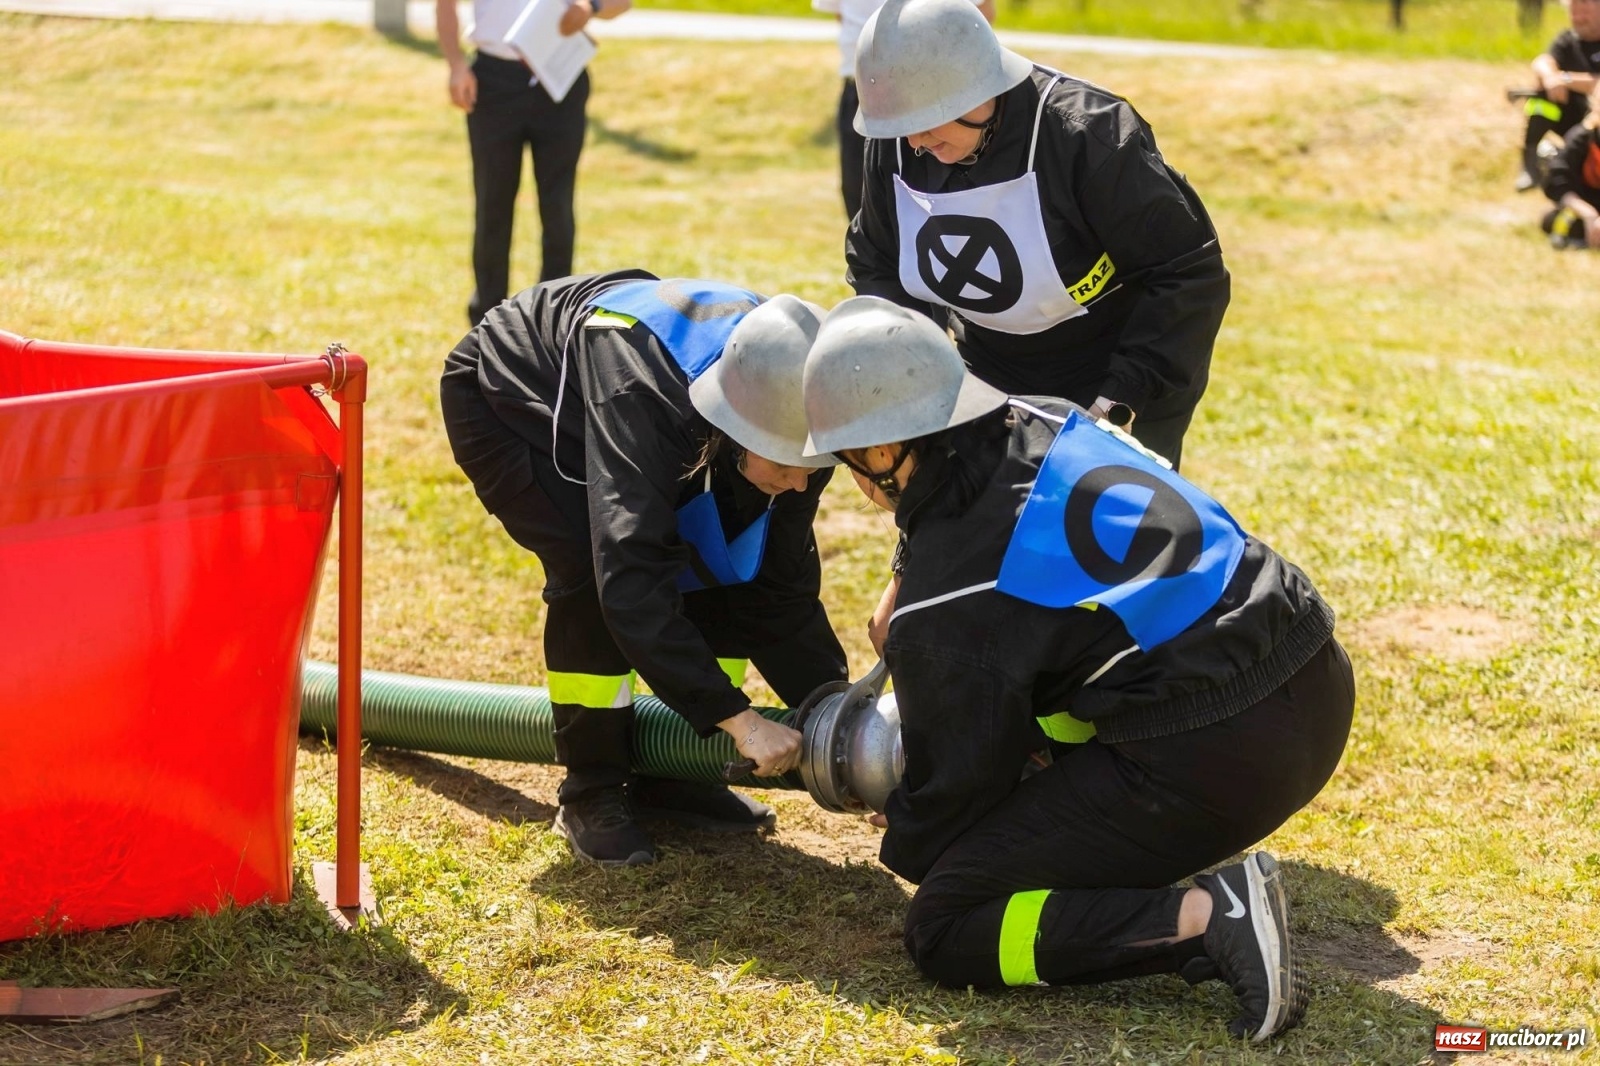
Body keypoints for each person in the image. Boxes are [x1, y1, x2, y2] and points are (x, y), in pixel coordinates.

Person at [800, 297, 1355, 1042]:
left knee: (947, 920)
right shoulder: (1048, 414)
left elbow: (951, 806)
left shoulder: (951, 599)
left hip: (1227, 756)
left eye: (851, 461)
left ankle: (1210, 917)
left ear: (882, 453)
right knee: (1062, 691)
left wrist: (908, 818)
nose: (856, 483)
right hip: (1314, 668)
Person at [440, 271, 848, 866]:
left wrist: (838, 713)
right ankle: (591, 790)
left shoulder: (794, 412)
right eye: (788, 465)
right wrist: (739, 720)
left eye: (814, 466)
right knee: (594, 568)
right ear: (737, 427)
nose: (801, 483)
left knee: (726, 560)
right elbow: (629, 577)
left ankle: (677, 774)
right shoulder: (650, 399)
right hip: (516, 398)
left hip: (651, 401)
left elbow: (778, 591)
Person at [845, 0, 1229, 472]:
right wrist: (914, 372)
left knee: (1102, 511)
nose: (914, 143)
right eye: (899, 128)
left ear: (975, 86)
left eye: (924, 122)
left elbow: (1187, 273)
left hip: (1117, 364)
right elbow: (877, 261)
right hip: (988, 363)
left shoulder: (1086, 135)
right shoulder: (899, 143)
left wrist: (1121, 398)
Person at [437, 0, 632, 325]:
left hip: (560, 77)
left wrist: (591, 7)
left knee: (557, 206)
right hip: (493, 82)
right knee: (492, 204)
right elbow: (445, 5)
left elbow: (621, 4)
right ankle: (487, 320)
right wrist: (456, 65)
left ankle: (553, 320)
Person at [811, 0, 994, 222]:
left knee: (941, 212)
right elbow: (842, 16)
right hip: (863, 91)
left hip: (934, 91)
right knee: (863, 205)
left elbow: (980, 16)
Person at [1514, 0, 1600, 193]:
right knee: (1542, 94)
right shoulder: (1568, 40)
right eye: (1573, 8)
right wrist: (1550, 76)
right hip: (1575, 123)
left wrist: (1565, 79)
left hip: (1597, 125)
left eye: (1584, 8)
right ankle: (1530, 162)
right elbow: (1542, 61)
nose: (1578, 15)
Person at [1541, 110, 1600, 248]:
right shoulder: (1582, 137)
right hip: (1585, 206)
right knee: (1553, 221)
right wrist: (1587, 213)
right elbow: (1556, 179)